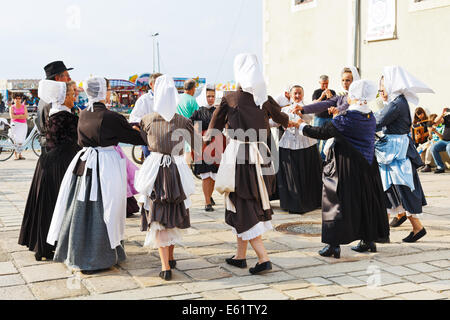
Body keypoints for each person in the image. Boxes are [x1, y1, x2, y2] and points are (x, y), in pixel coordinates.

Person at [208, 54, 297, 275]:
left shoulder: (230, 98)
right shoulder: (264, 98)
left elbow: (213, 128)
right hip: (262, 157)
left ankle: (263, 258)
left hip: (240, 157)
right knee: (244, 202)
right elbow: (282, 118)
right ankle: (240, 256)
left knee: (243, 203)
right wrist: (291, 121)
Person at [47, 77, 145, 274]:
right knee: (106, 208)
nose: (109, 92)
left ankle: (80, 252)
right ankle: (98, 257)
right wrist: (145, 130)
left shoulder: (83, 114)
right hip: (105, 166)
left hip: (85, 165)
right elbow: (132, 136)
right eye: (107, 89)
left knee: (84, 208)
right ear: (103, 92)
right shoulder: (110, 116)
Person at [297, 79, 390, 258]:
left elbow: (322, 132)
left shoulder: (346, 118)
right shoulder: (369, 115)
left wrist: (300, 126)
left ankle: (333, 245)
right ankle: (368, 240)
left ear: (354, 96)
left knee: (336, 201)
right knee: (365, 202)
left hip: (346, 166)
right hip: (368, 166)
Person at [135, 75, 198, 281]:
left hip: (156, 171)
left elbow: (142, 138)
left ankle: (165, 266)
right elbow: (197, 144)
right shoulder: (183, 121)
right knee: (172, 214)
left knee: (159, 215)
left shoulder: (148, 119)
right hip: (177, 170)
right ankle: (169, 258)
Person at [18, 80, 80, 261]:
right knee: (58, 204)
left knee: (47, 204)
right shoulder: (68, 118)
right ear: (63, 96)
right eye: (71, 94)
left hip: (47, 163)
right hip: (60, 165)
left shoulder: (53, 114)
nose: (74, 97)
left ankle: (44, 246)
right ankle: (58, 243)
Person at [375, 66, 434, 241]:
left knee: (399, 186)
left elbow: (378, 121)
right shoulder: (398, 101)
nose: (381, 93)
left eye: (382, 89)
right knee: (391, 187)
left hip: (396, 151)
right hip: (393, 149)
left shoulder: (396, 104)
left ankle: (415, 228)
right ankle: (383, 229)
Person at [277, 85, 322, 214]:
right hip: (288, 145)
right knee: (291, 176)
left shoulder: (307, 107)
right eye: (295, 93)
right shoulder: (285, 110)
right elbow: (275, 122)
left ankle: (311, 202)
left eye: (299, 93)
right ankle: (291, 203)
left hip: (306, 144)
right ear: (290, 95)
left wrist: (301, 111)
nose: (297, 96)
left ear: (303, 94)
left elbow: (309, 118)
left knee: (308, 173)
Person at [190, 84, 225, 212]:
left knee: (213, 174)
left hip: (217, 146)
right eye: (208, 96)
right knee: (205, 175)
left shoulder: (218, 111)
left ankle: (209, 197)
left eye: (213, 96)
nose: (211, 98)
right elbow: (193, 129)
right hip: (203, 146)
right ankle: (207, 202)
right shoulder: (198, 112)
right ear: (204, 96)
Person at [36, 61, 73, 155]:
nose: (69, 79)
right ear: (58, 78)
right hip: (54, 151)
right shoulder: (54, 102)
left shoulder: (45, 98)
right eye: (66, 75)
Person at [294, 67, 360, 117]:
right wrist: (303, 108)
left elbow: (345, 105)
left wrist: (336, 109)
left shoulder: (359, 96)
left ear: (355, 80)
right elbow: (325, 104)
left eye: (347, 80)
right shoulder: (341, 96)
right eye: (343, 80)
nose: (344, 83)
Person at [129, 73, 163, 158]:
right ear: (151, 84)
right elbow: (133, 118)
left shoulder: (167, 98)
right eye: (159, 83)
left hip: (165, 140)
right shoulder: (144, 100)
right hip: (149, 139)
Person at [312, 75, 337, 159]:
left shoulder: (332, 92)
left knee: (327, 139)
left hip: (329, 118)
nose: (325, 86)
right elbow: (314, 104)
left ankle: (323, 159)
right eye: (323, 84)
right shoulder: (316, 92)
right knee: (316, 138)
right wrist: (322, 96)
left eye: (326, 84)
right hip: (319, 118)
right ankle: (315, 158)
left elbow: (335, 104)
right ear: (319, 83)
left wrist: (330, 97)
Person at [430, 107, 450, 174]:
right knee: (433, 148)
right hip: (444, 140)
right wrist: (442, 114)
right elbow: (436, 122)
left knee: (448, 148)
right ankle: (440, 167)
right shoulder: (447, 117)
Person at [9, 93, 28, 160]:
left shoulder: (24, 106)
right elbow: (12, 116)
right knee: (15, 140)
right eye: (16, 98)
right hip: (15, 124)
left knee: (21, 140)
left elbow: (26, 116)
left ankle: (20, 154)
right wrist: (21, 116)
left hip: (23, 125)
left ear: (21, 99)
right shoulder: (12, 107)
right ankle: (15, 155)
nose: (18, 100)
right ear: (13, 99)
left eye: (19, 98)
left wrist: (17, 116)